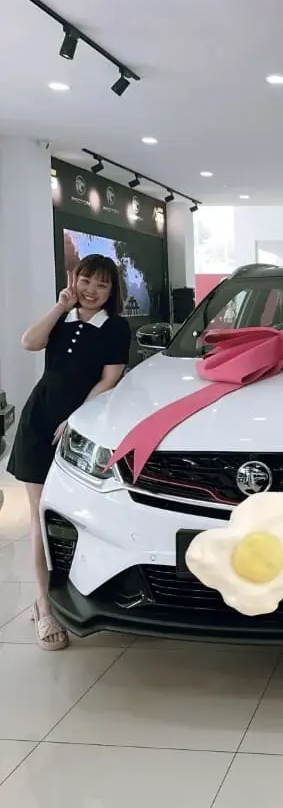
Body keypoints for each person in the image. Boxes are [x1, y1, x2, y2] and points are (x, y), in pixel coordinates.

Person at [7, 255, 131, 650]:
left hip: (82, 429)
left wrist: (76, 419)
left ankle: (80, 593)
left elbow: (110, 380)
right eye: (86, 281)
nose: (91, 291)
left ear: (111, 292)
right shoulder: (61, 317)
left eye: (101, 285)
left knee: (76, 514)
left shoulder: (116, 327)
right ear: (74, 280)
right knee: (39, 516)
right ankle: (44, 607)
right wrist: (60, 306)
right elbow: (29, 342)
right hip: (39, 421)